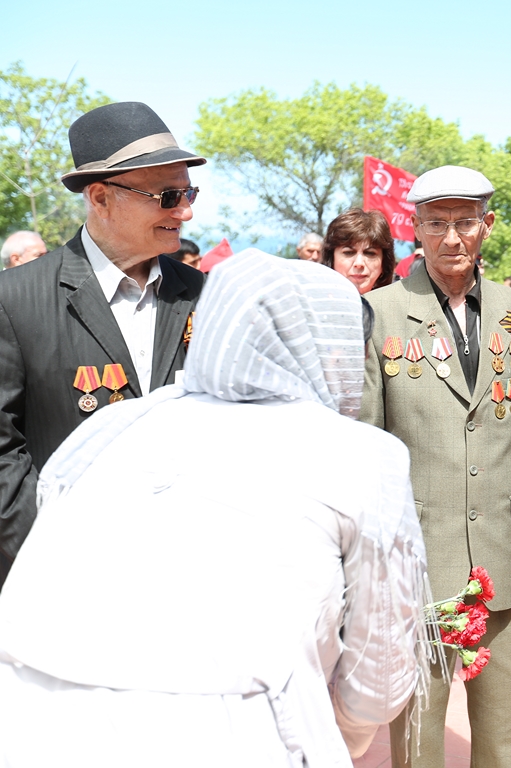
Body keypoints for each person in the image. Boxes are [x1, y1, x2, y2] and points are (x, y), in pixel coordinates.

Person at [0, 251, 428, 767]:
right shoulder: (362, 455)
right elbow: (379, 667)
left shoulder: (115, 426)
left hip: (32, 724)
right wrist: (336, 733)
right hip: (231, 735)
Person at [359, 165, 511, 768]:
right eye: (437, 223)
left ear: (487, 225)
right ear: (415, 228)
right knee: (418, 729)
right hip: (418, 555)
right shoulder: (379, 312)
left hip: (501, 549)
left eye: (465, 222)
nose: (452, 238)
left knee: (501, 730)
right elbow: (366, 445)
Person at [0, 101, 205, 587]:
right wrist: (56, 557)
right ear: (101, 197)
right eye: (168, 195)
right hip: (65, 579)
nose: (186, 211)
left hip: (188, 576)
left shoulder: (206, 295)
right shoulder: (14, 300)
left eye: (189, 192)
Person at [321, 208, 395, 295]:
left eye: (370, 253)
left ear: (384, 264)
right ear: (331, 259)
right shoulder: (311, 301)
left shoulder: (399, 302)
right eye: (348, 252)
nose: (359, 263)